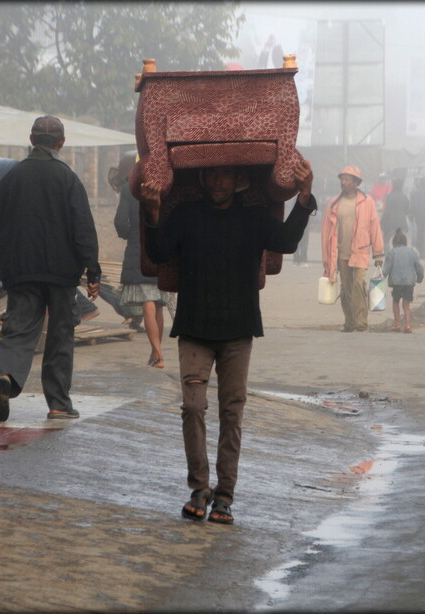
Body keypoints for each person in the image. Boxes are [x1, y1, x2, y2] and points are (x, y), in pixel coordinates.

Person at [140, 161, 316, 524]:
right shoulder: (187, 214)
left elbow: (285, 241)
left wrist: (304, 197)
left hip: (238, 330)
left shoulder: (253, 218)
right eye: (211, 173)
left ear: (240, 179)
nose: (217, 180)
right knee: (192, 407)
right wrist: (153, 212)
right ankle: (199, 487)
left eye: (225, 174)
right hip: (193, 329)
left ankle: (224, 496)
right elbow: (158, 253)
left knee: (231, 413)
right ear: (202, 177)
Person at [0, 115, 101, 421]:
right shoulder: (67, 178)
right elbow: (83, 228)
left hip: (21, 271)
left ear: (31, 139)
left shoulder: (12, 177)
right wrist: (93, 270)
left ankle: (7, 376)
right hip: (62, 275)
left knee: (19, 329)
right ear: (61, 143)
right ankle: (59, 404)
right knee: (60, 335)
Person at [113, 150, 171, 368]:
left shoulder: (130, 190)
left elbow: (120, 223)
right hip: (161, 250)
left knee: (148, 304)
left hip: (139, 252)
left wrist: (132, 235)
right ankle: (156, 352)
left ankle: (157, 354)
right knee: (157, 304)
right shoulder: (165, 187)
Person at [321, 165, 385, 332]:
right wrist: (327, 260)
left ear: (356, 182)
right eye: (342, 179)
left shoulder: (367, 202)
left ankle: (361, 322)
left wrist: (378, 254)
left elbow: (374, 227)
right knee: (346, 288)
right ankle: (349, 322)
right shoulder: (333, 203)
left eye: (347, 179)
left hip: (361, 251)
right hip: (341, 254)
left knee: (358, 285)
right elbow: (326, 233)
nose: (343, 182)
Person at [382, 228, 424, 333]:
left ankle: (397, 324)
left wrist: (381, 278)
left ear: (394, 242)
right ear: (405, 242)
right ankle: (408, 325)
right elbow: (419, 267)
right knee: (406, 304)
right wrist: (420, 278)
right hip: (409, 282)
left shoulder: (392, 252)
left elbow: (386, 269)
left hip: (396, 282)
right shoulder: (412, 252)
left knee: (396, 301)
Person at [380, 177, 409, 247]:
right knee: (401, 242)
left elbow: (387, 211)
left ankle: (388, 255)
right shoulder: (405, 197)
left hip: (390, 224)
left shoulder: (389, 197)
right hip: (402, 223)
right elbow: (407, 211)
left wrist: (382, 222)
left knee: (386, 240)